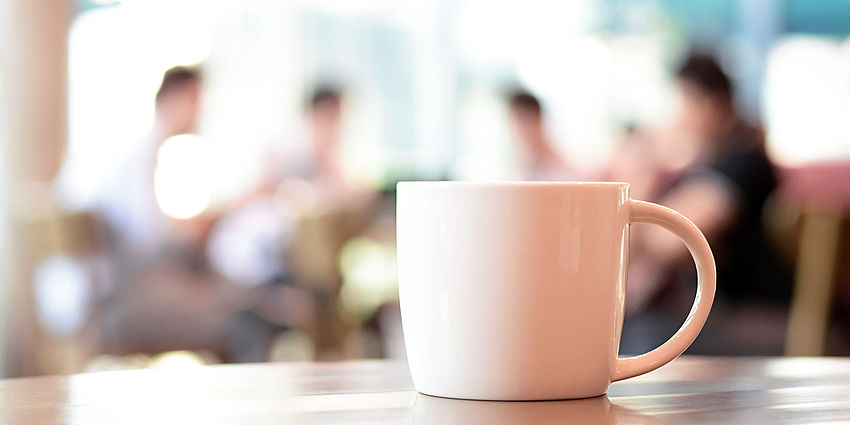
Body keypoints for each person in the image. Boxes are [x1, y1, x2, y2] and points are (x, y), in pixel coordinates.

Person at [621, 53, 791, 354]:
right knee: (630, 326)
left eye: (682, 102)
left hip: (756, 312)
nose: (676, 117)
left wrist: (641, 170)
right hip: (724, 310)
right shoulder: (710, 163)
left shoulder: (743, 159)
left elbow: (670, 243)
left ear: (709, 103)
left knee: (640, 336)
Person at [507, 90, 575, 181]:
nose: (517, 130)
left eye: (521, 121)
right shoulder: (522, 165)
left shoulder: (557, 166)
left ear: (537, 120)